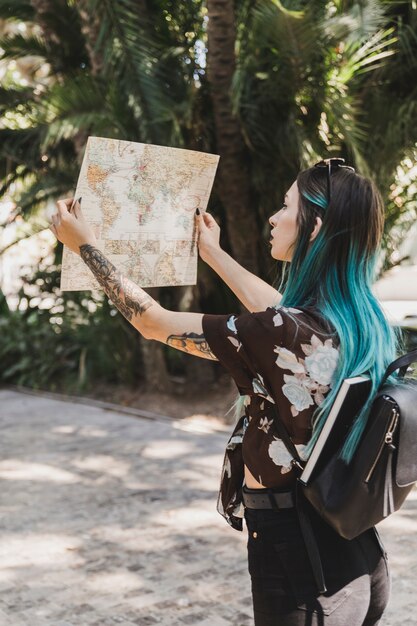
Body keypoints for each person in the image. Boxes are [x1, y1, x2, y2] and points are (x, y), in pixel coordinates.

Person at [49, 157, 399, 625]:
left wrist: (85, 245)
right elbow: (276, 310)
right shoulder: (358, 320)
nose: (274, 218)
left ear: (314, 227)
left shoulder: (285, 330)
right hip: (354, 553)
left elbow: (155, 323)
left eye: (285, 205)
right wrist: (212, 253)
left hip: (302, 562)